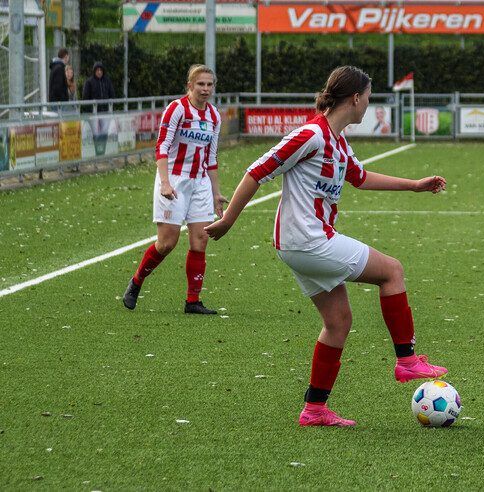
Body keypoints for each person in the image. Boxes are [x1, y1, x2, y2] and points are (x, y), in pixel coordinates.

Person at [204, 66, 448, 427]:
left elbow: (360, 178)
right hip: (308, 240)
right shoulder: (312, 135)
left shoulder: (337, 141)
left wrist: (414, 185)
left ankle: (314, 409)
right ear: (355, 98)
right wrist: (228, 220)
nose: (369, 102)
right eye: (368, 95)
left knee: (338, 322)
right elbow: (257, 170)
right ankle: (407, 360)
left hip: (302, 244)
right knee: (392, 271)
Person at [123, 64, 228, 315]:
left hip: (200, 182)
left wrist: (216, 193)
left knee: (200, 239)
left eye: (209, 84)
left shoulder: (214, 116)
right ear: (189, 86)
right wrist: (165, 183)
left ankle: (193, 301)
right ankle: (137, 282)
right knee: (167, 243)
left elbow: (211, 157)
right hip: (174, 180)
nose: (205, 89)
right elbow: (162, 147)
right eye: (200, 84)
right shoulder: (176, 109)